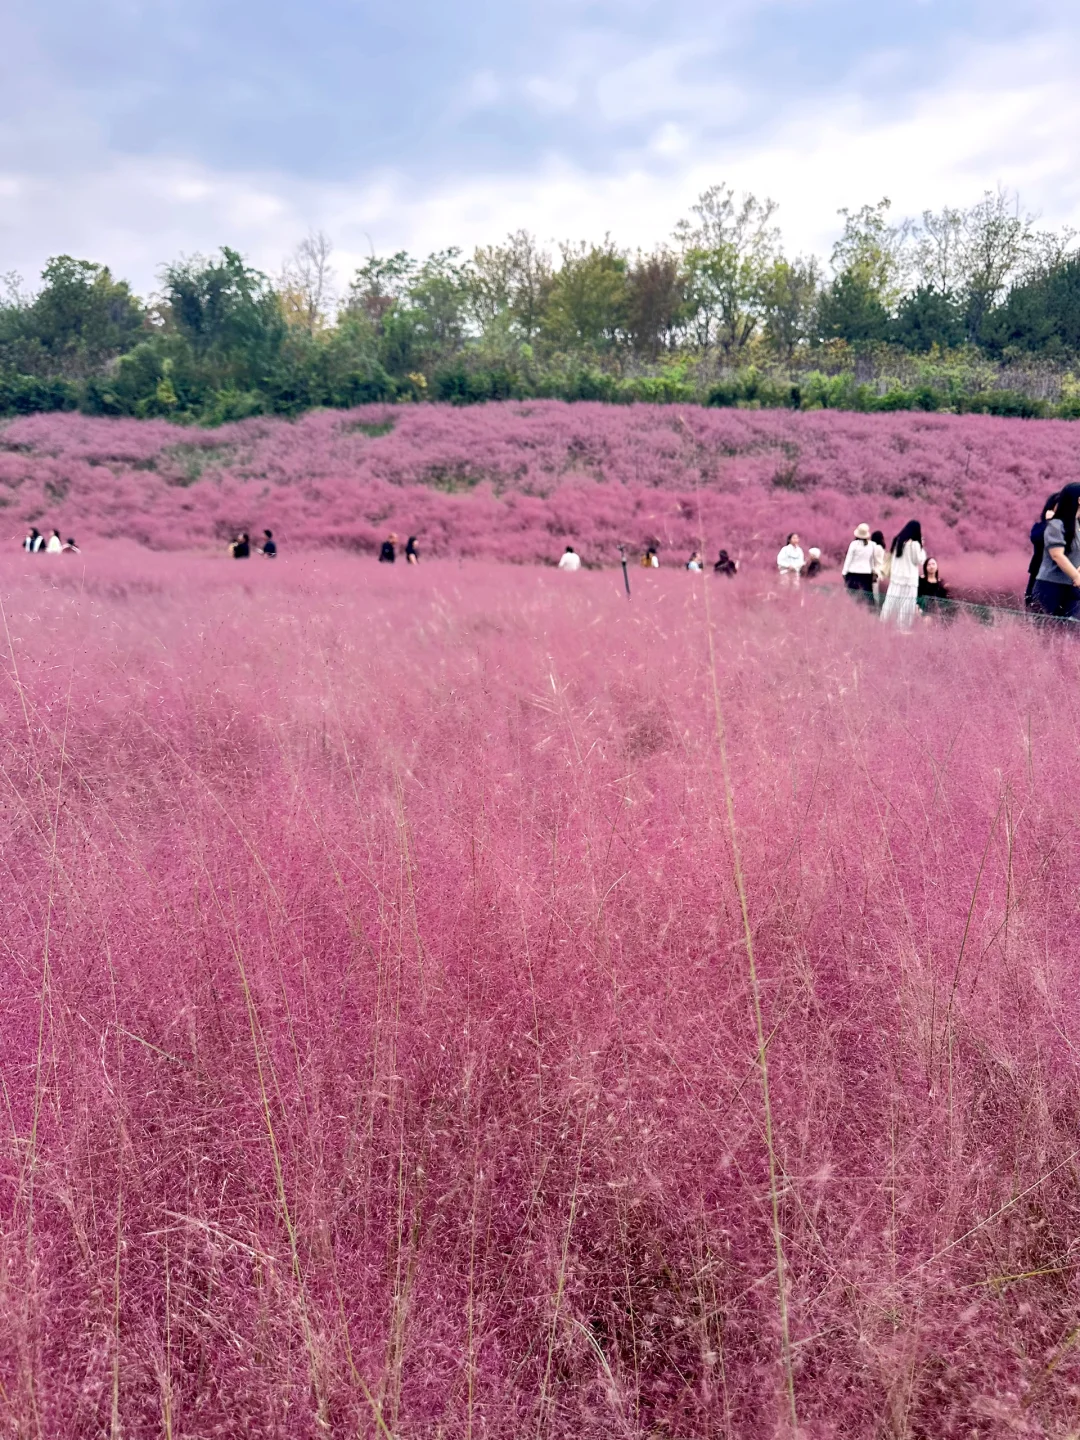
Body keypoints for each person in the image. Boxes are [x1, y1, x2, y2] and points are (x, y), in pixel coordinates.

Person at [1032, 482, 1080, 620]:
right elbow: (1057, 555)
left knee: (1069, 632)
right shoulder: (1056, 525)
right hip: (1050, 586)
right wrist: (1076, 577)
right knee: (1044, 631)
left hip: (1071, 588)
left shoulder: (1077, 525)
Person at [880, 520, 926, 629]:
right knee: (906, 604)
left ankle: (886, 623)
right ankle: (902, 627)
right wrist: (922, 548)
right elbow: (918, 560)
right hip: (909, 580)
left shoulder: (898, 541)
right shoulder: (914, 544)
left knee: (892, 601)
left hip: (896, 578)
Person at [1026, 493, 1060, 609]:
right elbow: (1037, 539)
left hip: (1064, 580)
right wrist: (1050, 523)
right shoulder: (1041, 527)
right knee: (1035, 610)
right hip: (1039, 576)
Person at [841, 523, 876, 600]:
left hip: (853, 573)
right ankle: (870, 610)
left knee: (852, 595)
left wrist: (844, 572)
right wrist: (873, 571)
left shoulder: (854, 544)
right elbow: (872, 560)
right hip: (867, 573)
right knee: (867, 596)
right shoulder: (872, 545)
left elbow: (848, 559)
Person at [870, 530, 887, 605]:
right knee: (877, 591)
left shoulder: (876, 548)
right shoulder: (882, 548)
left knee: (874, 592)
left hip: (875, 571)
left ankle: (875, 606)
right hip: (881, 571)